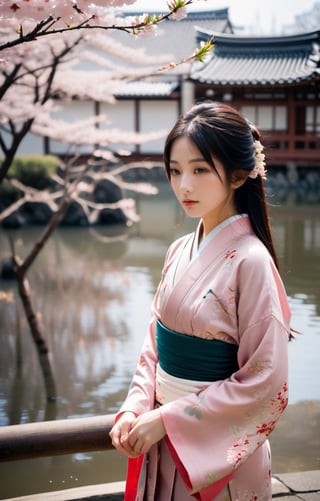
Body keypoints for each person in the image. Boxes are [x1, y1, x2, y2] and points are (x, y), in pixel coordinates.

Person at [110, 101, 291, 501]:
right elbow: (154, 343)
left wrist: (170, 420)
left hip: (215, 456)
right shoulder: (177, 250)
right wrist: (136, 408)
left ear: (239, 175)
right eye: (175, 171)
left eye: (199, 169)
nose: (183, 186)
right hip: (161, 435)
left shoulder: (252, 261)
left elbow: (266, 381)